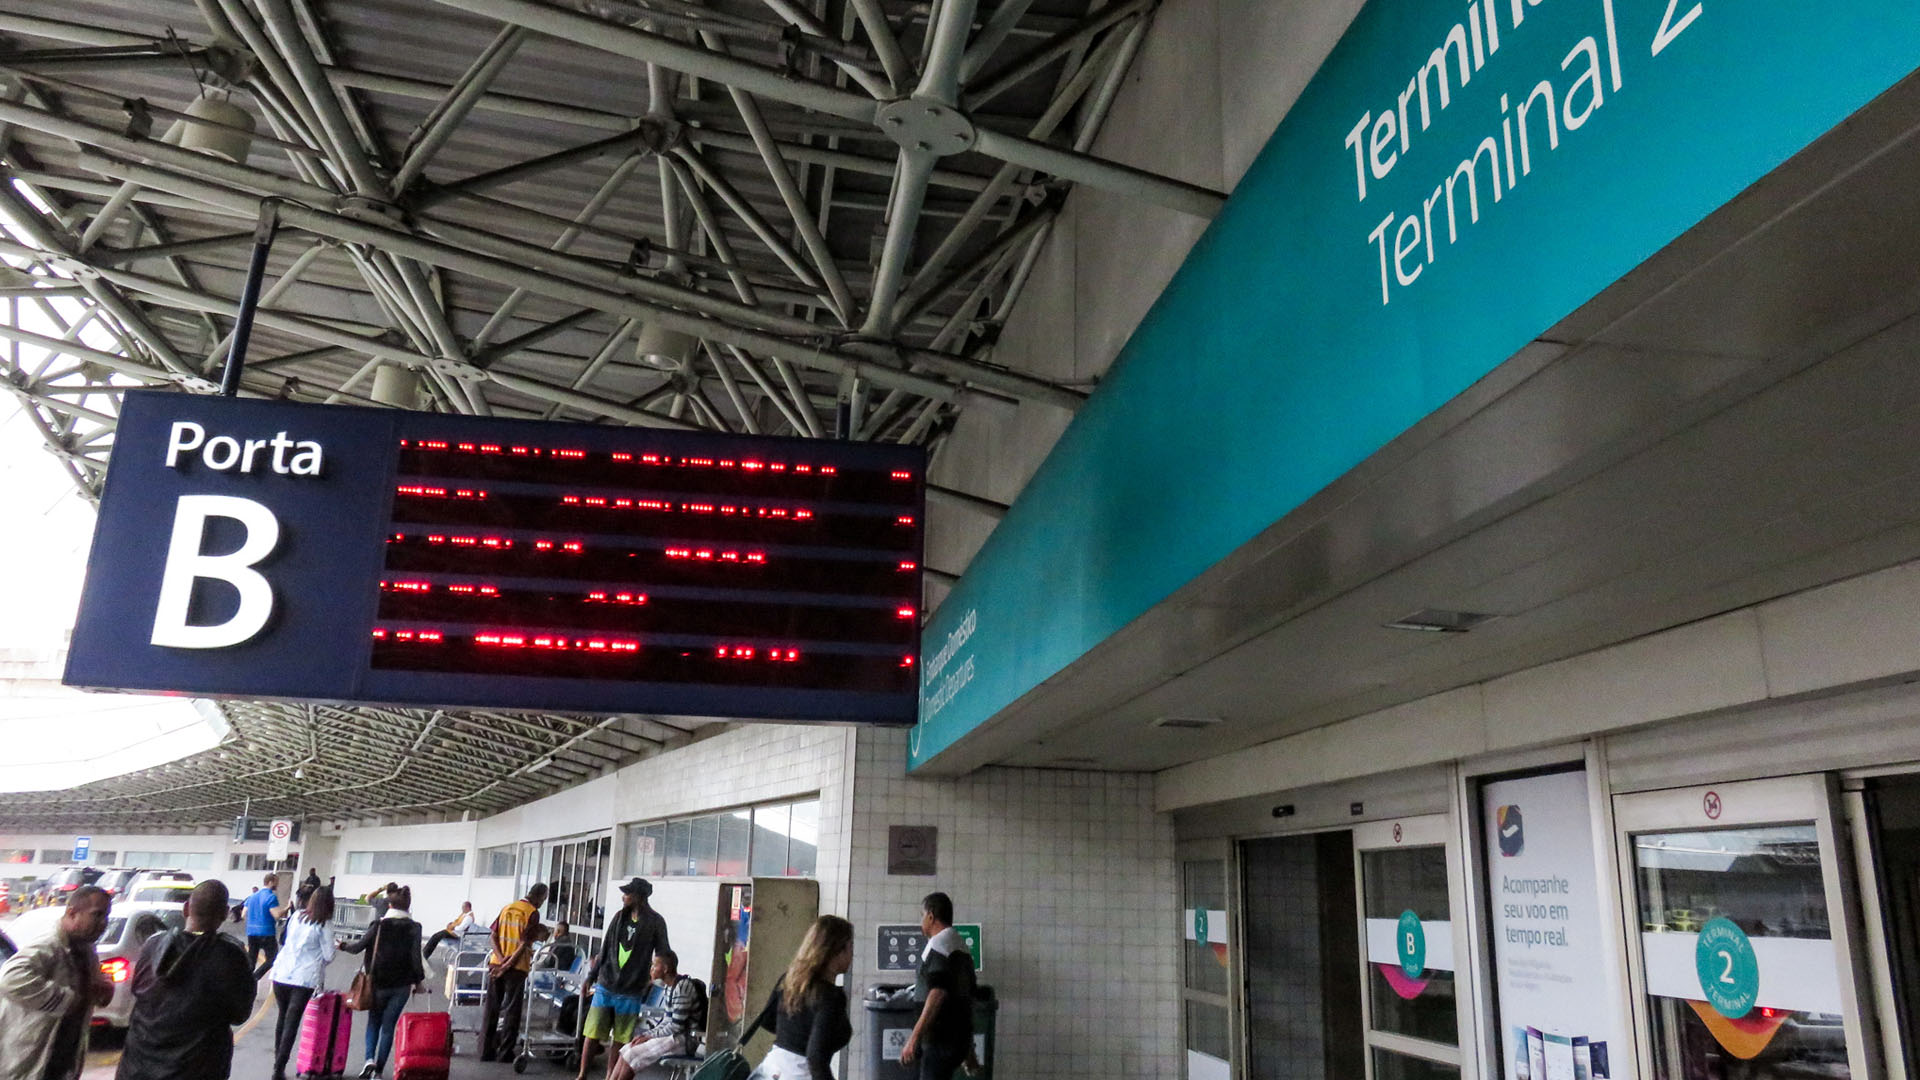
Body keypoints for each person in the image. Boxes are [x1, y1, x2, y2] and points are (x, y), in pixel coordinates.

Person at [116, 880, 256, 1080]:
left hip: (138, 1066)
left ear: (186, 909)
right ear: (225, 913)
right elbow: (240, 1014)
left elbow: (137, 991)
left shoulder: (152, 945)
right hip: (197, 1068)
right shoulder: (230, 956)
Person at [0, 884, 112, 1080]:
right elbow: (10, 978)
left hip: (62, 1061)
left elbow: (91, 990)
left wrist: (102, 991)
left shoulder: (86, 951)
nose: (103, 923)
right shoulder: (49, 946)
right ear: (72, 913)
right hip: (26, 1062)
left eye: (106, 916)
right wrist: (65, 1000)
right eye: (97, 915)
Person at [576, 878, 671, 1080]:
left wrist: (656, 977)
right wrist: (591, 977)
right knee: (592, 1032)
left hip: (631, 989)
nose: (623, 896)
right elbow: (604, 949)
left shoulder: (655, 922)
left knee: (620, 1038)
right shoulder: (619, 917)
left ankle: (610, 1076)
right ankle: (582, 1074)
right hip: (606, 983)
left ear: (638, 897)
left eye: (627, 893)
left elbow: (663, 953)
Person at [739, 916, 853, 1080]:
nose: (852, 954)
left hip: (769, 1070)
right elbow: (816, 1057)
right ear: (836, 952)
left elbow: (767, 1020)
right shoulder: (830, 996)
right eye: (850, 947)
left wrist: (794, 1035)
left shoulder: (789, 981)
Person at [338, 885, 426, 1079]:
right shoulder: (414, 927)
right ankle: (378, 1071)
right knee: (388, 1027)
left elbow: (358, 947)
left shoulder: (378, 925)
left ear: (389, 905)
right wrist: (418, 982)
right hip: (401, 986)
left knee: (373, 1022)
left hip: (377, 983)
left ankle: (368, 1059)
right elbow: (415, 957)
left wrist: (342, 945)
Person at [899, 893, 978, 1080]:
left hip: (939, 1041)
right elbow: (967, 1000)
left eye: (922, 915)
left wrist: (914, 1038)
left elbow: (938, 992)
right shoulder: (962, 949)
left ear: (931, 916)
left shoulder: (939, 946)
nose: (921, 921)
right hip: (956, 1041)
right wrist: (968, 1049)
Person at [269, 886, 337, 1080]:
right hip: (304, 978)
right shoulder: (325, 924)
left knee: (282, 1018)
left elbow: (287, 939)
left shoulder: (297, 916)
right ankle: (279, 1066)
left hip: (282, 972)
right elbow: (329, 955)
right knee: (292, 1021)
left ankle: (277, 1064)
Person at [607, 949, 703, 1080]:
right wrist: (647, 1035)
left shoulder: (682, 987)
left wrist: (649, 1036)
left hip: (684, 1040)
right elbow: (666, 1020)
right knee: (627, 1049)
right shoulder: (669, 987)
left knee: (633, 1054)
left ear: (665, 969)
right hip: (673, 1036)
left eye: (654, 965)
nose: (651, 969)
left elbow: (676, 1026)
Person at [481, 882, 548, 1062]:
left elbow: (492, 936)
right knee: (512, 1011)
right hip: (516, 969)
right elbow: (523, 944)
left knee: (492, 1008)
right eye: (543, 899)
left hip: (496, 964)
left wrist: (500, 959)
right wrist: (508, 964)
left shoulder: (507, 908)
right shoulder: (531, 912)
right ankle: (505, 1053)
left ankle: (485, 1051)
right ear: (540, 897)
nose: (542, 903)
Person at [244, 873, 285, 979]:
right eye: (276, 882)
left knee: (252, 959)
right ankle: (256, 977)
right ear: (270, 882)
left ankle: (246, 980)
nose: (277, 885)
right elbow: (276, 915)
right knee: (273, 958)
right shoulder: (271, 897)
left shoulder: (252, 897)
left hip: (251, 932)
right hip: (266, 932)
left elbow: (243, 914)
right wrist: (287, 908)